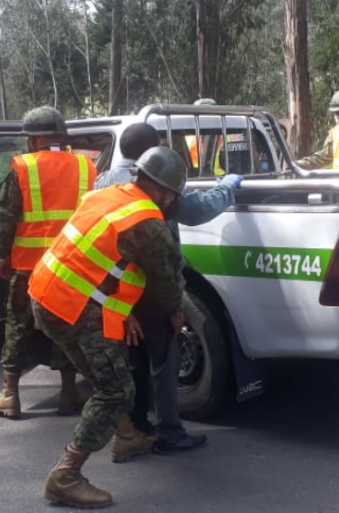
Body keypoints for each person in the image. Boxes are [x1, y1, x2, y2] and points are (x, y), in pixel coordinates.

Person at [28, 146, 187, 508]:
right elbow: (165, 281)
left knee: (103, 376)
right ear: (164, 191)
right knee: (116, 390)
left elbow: (95, 257)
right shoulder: (148, 221)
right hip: (75, 308)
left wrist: (122, 309)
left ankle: (127, 435)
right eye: (175, 195)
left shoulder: (108, 194)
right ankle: (66, 475)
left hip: (46, 295)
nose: (174, 202)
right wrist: (175, 311)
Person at [96, 122, 243, 458]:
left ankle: (136, 429)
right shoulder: (158, 183)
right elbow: (197, 210)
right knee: (163, 360)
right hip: (154, 286)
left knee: (132, 359)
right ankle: (170, 433)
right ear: (155, 151)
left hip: (119, 290)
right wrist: (227, 188)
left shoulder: (102, 181)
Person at [0, 106, 97, 419]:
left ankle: (10, 395)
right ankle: (69, 392)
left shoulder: (23, 167)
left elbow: (6, 218)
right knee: (65, 327)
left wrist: (2, 256)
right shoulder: (87, 167)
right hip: (70, 268)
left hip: (29, 267)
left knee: (17, 326)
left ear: (34, 140)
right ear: (61, 136)